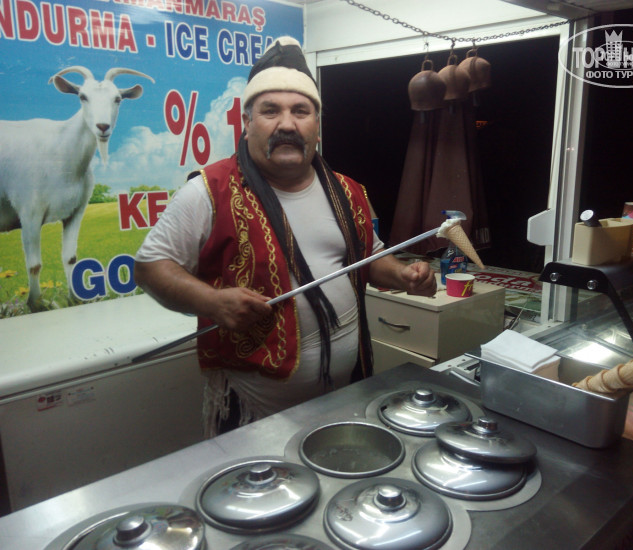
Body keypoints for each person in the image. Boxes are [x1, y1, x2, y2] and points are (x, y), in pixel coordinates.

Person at [134, 36, 436, 438]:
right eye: (270, 110)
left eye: (301, 111)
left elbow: (370, 256)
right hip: (251, 408)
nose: (287, 124)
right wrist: (212, 302)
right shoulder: (209, 190)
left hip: (344, 396)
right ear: (247, 123)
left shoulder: (348, 191)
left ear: (317, 125)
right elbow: (150, 267)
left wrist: (402, 275)